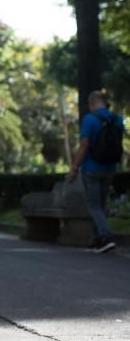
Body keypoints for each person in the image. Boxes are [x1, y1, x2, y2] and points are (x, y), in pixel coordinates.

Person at [68, 90, 124, 254]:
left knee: (94, 206)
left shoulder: (89, 119)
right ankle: (97, 240)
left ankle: (106, 237)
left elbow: (84, 144)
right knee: (100, 204)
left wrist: (74, 168)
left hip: (91, 169)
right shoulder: (118, 119)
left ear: (92, 103)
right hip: (110, 168)